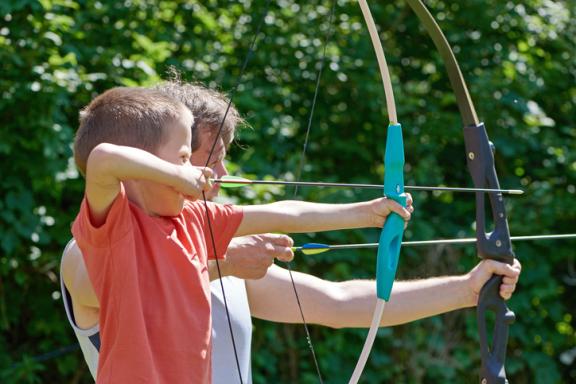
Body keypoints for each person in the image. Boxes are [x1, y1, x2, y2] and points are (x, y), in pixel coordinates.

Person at [61, 83, 521, 383]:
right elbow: (113, 283)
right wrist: (218, 265)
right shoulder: (98, 242)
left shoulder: (201, 230)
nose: (221, 175)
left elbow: (339, 302)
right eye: (199, 157)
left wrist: (466, 290)